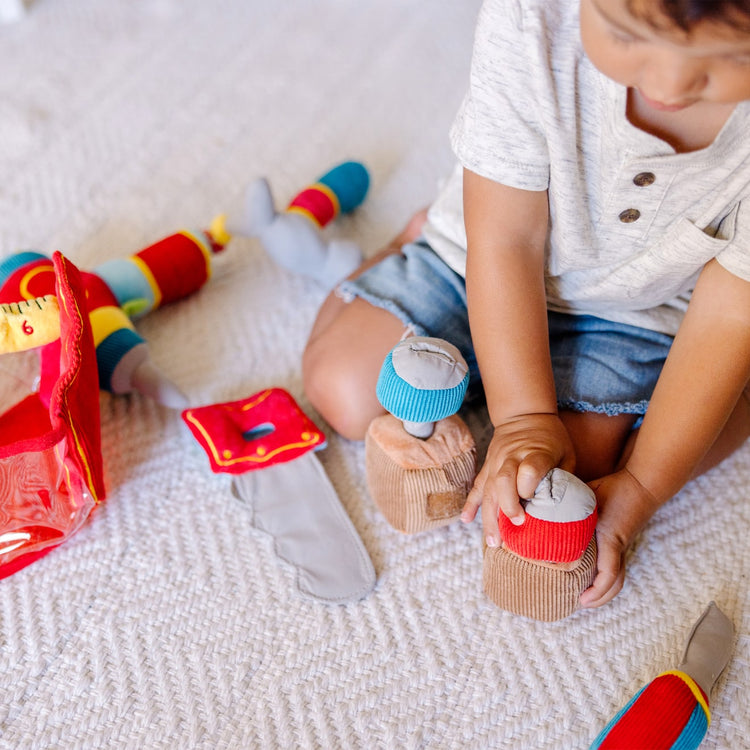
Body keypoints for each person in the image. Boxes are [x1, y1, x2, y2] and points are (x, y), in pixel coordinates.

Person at [302, 0, 750, 608]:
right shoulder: (532, 19)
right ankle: (400, 244)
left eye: (730, 56)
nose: (670, 84)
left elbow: (728, 317)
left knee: (567, 486)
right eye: (625, 33)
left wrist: (642, 489)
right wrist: (523, 419)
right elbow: (506, 241)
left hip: (636, 312)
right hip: (482, 254)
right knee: (346, 391)